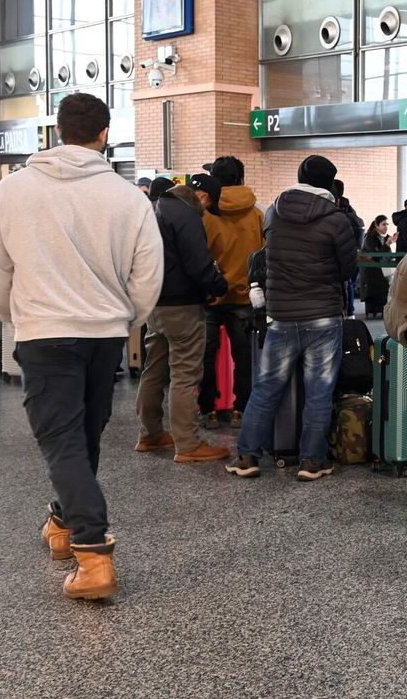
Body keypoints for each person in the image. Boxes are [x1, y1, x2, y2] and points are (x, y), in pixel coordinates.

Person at [0, 92, 163, 600]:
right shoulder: (128, 197)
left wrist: (18, 316)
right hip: (104, 333)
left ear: (57, 131)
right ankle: (62, 520)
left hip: (44, 331)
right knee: (84, 433)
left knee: (62, 438)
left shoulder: (13, 190)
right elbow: (148, 272)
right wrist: (127, 318)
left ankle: (93, 551)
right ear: (105, 135)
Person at [226, 155, 359, 481]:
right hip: (323, 316)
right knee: (319, 392)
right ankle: (312, 461)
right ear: (330, 183)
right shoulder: (337, 220)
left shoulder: (275, 211)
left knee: (266, 387)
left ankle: (247, 456)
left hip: (281, 315)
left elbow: (266, 255)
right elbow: (348, 270)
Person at [134, 177, 229, 463]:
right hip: (182, 305)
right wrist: (218, 287)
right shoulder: (185, 214)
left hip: (155, 302)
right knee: (185, 374)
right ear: (202, 196)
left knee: (154, 370)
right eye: (208, 205)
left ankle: (150, 434)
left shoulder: (154, 207)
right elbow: (198, 262)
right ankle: (188, 444)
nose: (206, 211)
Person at [193, 161, 262, 430]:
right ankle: (241, 410)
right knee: (244, 356)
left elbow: (198, 253)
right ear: (241, 177)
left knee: (206, 356)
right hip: (245, 297)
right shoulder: (257, 213)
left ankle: (208, 410)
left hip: (211, 296)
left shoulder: (204, 213)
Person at [360, 215, 394, 318]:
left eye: (387, 224)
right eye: (383, 224)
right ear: (377, 225)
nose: (386, 227)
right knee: (386, 281)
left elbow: (386, 255)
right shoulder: (370, 237)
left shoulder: (384, 237)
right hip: (372, 270)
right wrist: (387, 245)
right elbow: (376, 255)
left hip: (382, 268)